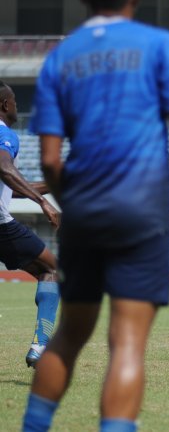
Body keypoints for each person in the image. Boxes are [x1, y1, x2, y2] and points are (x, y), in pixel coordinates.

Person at [22, 0, 169, 431]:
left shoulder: (60, 56)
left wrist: (72, 205)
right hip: (141, 209)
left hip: (84, 212)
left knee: (70, 336)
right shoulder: (158, 45)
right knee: (128, 344)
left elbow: (51, 159)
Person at [0, 82, 61, 368]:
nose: (16, 106)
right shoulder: (4, 134)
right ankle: (40, 347)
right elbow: (5, 169)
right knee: (51, 269)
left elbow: (10, 182)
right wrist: (43, 203)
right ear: (4, 105)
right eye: (13, 101)